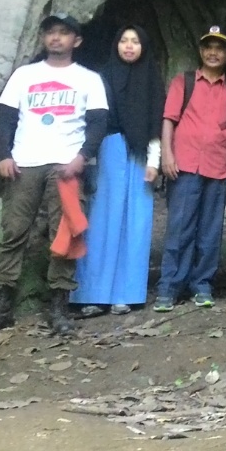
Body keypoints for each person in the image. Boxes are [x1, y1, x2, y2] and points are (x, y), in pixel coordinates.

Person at [0, 13, 108, 334]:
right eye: (50, 32)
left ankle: (59, 309)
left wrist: (82, 158)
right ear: (43, 38)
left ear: (77, 40)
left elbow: (98, 124)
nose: (56, 37)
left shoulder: (89, 79)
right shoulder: (24, 75)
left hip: (65, 166)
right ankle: (2, 307)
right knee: (13, 232)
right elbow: (4, 118)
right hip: (25, 163)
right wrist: (3, 155)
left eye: (63, 32)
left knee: (64, 234)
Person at [154, 26, 226, 312]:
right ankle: (169, 287)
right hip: (184, 165)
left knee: (210, 231)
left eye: (220, 48)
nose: (213, 53)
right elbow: (169, 120)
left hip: (217, 168)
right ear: (200, 51)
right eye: (209, 47)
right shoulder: (183, 83)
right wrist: (167, 155)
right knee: (180, 228)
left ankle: (202, 284)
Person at [72, 25, 165, 316]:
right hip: (107, 151)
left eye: (135, 41)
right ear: (116, 45)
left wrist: (154, 161)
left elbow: (156, 123)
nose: (129, 46)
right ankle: (92, 294)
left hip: (139, 155)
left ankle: (126, 294)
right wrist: (88, 159)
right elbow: (92, 120)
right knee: (101, 221)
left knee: (135, 221)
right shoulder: (102, 77)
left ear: (143, 47)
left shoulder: (152, 80)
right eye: (124, 40)